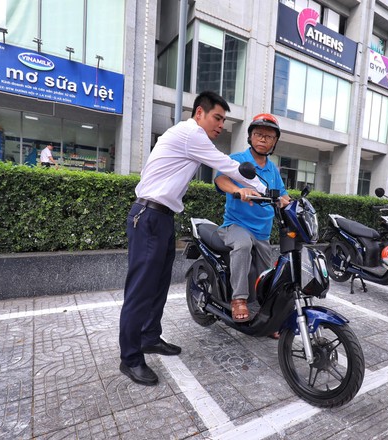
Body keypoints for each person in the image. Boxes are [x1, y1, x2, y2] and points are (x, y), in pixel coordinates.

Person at [119, 91, 267, 386]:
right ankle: (130, 358)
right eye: (217, 118)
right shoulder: (191, 134)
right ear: (199, 113)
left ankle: (149, 337)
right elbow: (227, 166)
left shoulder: (189, 136)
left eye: (224, 120)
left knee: (158, 285)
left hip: (161, 217)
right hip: (148, 216)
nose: (221, 125)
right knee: (140, 290)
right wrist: (265, 189)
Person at [214, 113, 290, 324]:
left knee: (269, 270)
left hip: (262, 231)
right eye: (259, 134)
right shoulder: (239, 160)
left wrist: (288, 202)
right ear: (250, 137)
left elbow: (282, 194)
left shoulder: (272, 169)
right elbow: (221, 179)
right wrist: (239, 190)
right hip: (236, 225)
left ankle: (267, 313)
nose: (263, 139)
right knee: (242, 245)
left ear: (275, 141)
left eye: (269, 136)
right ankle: (238, 299)